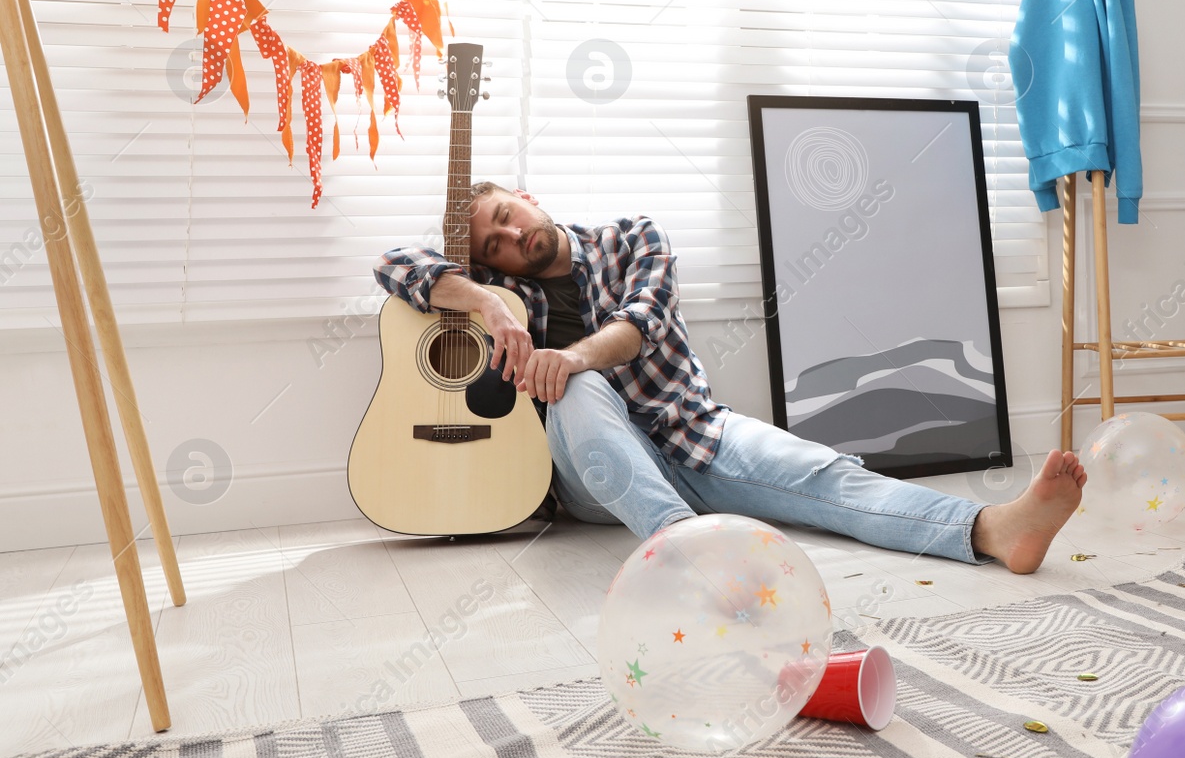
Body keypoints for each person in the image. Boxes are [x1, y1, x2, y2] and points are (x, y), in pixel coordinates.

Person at [374, 182, 1087, 572]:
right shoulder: (509, 294)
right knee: (578, 390)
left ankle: (993, 529)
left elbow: (639, 325)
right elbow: (392, 263)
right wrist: (486, 299)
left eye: (506, 216)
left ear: (527, 195)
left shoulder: (635, 235)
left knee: (826, 477)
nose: (510, 237)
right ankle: (694, 554)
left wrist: (571, 354)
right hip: (596, 477)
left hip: (697, 436)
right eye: (494, 246)